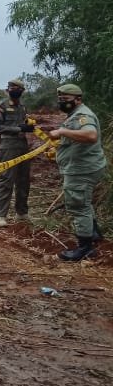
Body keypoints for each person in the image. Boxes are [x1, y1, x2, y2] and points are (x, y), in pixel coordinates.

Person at [43, 84, 108, 262]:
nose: (61, 102)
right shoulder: (75, 114)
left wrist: (62, 131)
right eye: (60, 99)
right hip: (84, 166)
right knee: (84, 202)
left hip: (81, 170)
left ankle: (85, 248)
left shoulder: (82, 115)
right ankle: (93, 234)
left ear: (78, 99)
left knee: (78, 205)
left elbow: (91, 135)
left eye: (65, 99)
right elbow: (76, 139)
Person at [0, 78, 35, 226]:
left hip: (23, 144)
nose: (14, 90)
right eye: (11, 88)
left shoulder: (23, 107)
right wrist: (19, 129)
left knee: (24, 180)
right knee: (6, 179)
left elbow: (24, 122)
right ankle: (0, 216)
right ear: (8, 90)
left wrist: (28, 126)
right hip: (8, 145)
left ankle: (22, 213)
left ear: (22, 91)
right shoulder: (1, 105)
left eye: (17, 89)